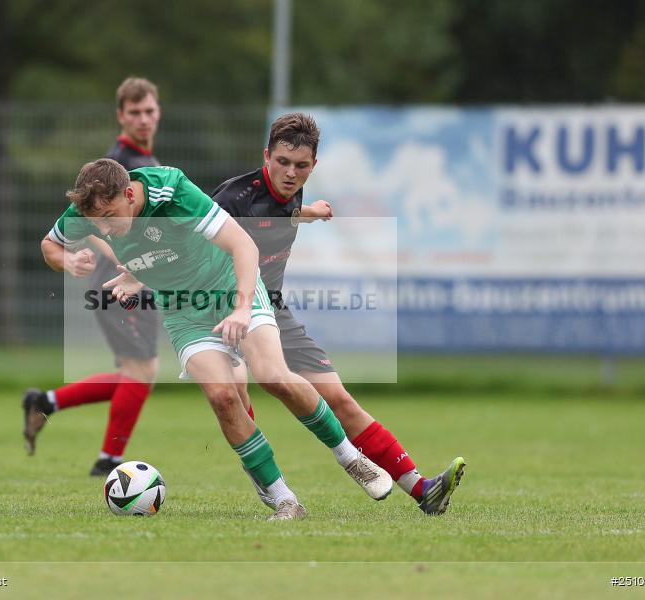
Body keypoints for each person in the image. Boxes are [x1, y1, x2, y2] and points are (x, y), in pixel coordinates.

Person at [36, 157, 394, 520]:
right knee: (222, 396)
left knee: (272, 375)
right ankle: (284, 499)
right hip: (183, 310)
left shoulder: (172, 191)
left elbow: (244, 246)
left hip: (230, 285)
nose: (104, 230)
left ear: (130, 193)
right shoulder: (90, 206)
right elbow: (49, 245)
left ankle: (351, 459)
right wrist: (67, 262)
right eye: (96, 223)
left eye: (110, 217)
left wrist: (240, 309)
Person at [211, 112, 466, 515]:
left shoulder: (292, 191)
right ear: (266, 156)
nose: (290, 173)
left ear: (314, 165)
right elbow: (196, 239)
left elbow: (282, 212)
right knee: (236, 398)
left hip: (273, 310)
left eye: (301, 166)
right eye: (282, 162)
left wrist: (310, 211)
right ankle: (273, 487)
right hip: (226, 311)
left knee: (340, 400)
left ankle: (423, 490)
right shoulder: (233, 198)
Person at [23, 77, 163, 476]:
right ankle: (109, 463)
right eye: (134, 112)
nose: (143, 119)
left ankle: (46, 403)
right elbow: (86, 221)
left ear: (158, 112)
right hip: (117, 279)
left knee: (134, 372)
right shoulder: (119, 163)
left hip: (135, 274)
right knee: (141, 371)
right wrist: (115, 260)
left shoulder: (147, 162)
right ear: (121, 116)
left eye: (149, 110)